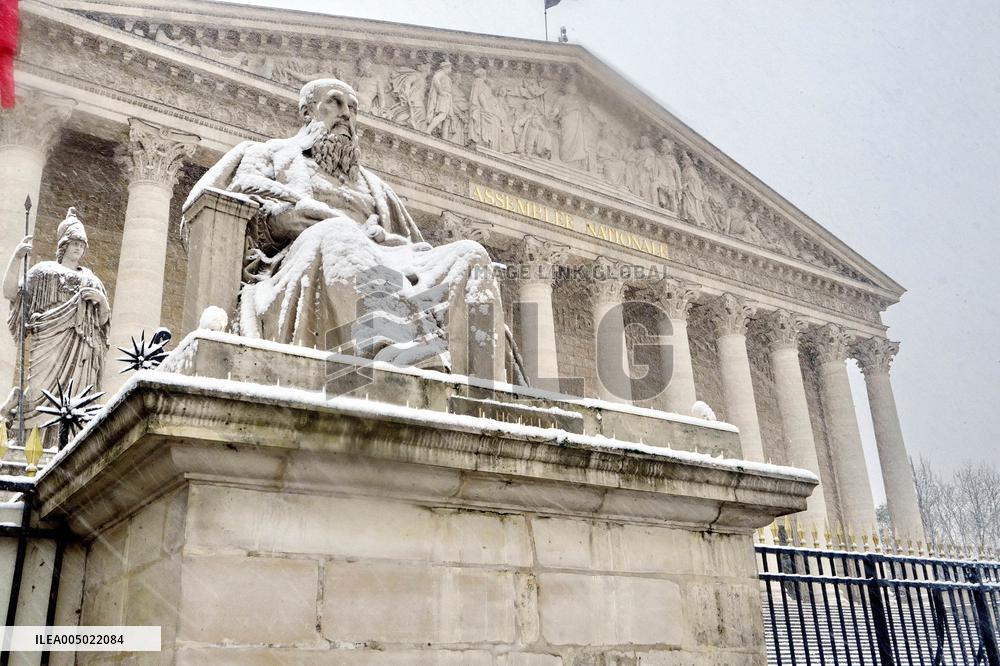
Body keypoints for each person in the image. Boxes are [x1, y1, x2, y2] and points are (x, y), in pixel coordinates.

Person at [185, 78, 520, 382]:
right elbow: (234, 211)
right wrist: (285, 220)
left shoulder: (374, 187)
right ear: (307, 111)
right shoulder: (269, 155)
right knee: (339, 233)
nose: (346, 114)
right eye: (335, 102)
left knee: (470, 255)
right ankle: (402, 364)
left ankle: (486, 392)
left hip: (387, 261)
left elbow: (409, 242)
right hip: (298, 264)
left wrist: (385, 240)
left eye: (353, 108)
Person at [2, 208, 110, 446]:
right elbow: (10, 292)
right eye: (74, 243)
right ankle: (30, 447)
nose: (78, 248)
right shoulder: (43, 272)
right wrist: (17, 257)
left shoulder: (91, 280)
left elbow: (103, 323)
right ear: (64, 244)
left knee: (76, 401)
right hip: (48, 344)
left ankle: (67, 446)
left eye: (82, 244)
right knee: (38, 396)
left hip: (82, 349)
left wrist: (101, 301)